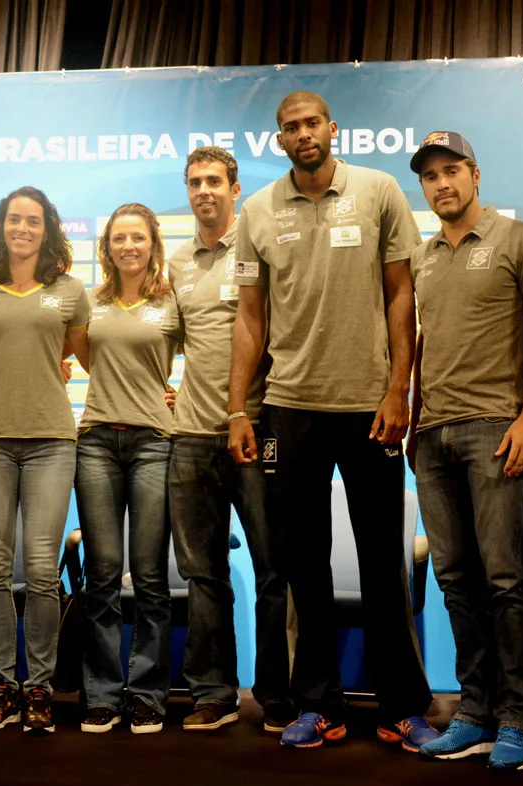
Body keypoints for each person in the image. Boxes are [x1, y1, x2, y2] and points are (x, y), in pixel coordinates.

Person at [228, 91, 437, 751]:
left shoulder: (377, 191)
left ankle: (403, 705)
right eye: (289, 127)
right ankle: (319, 703)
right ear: (279, 139)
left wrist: (399, 387)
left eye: (311, 122)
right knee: (301, 564)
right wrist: (240, 407)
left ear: (332, 128)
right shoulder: (258, 210)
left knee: (382, 562)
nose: (301, 133)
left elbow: (404, 291)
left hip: (370, 406)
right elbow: (249, 318)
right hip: (289, 408)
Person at [401, 132, 523, 770]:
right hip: (432, 436)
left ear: (476, 174)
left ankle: (518, 719)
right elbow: (424, 343)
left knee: (505, 578)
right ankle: (474, 711)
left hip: (497, 427)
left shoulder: (520, 241)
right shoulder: (423, 256)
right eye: (431, 176)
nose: (442, 184)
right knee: (456, 581)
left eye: (451, 171)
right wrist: (412, 422)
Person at [167, 147, 291, 733]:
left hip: (258, 429)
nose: (204, 191)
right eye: (195, 182)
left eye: (215, 181)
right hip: (190, 438)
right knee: (203, 574)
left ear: (236, 189)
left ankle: (278, 696)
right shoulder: (176, 264)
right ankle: (212, 694)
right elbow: (156, 343)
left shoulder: (261, 247)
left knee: (274, 569)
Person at [0, 186, 90, 734]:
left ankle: (38, 687)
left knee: (39, 571)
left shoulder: (70, 292)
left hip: (52, 443)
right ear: (1, 226)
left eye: (33, 220)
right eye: (14, 219)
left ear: (47, 229)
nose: (23, 228)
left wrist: (163, 391)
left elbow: (93, 358)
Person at [75, 202, 181, 735]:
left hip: (154, 444)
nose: (129, 246)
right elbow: (85, 358)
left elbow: (207, 355)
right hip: (95, 442)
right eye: (119, 237)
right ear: (107, 246)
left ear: (152, 244)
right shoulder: (87, 302)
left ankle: (145, 696)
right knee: (101, 575)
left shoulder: (172, 303)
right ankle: (100, 694)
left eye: (138, 237)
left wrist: (180, 394)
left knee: (151, 576)